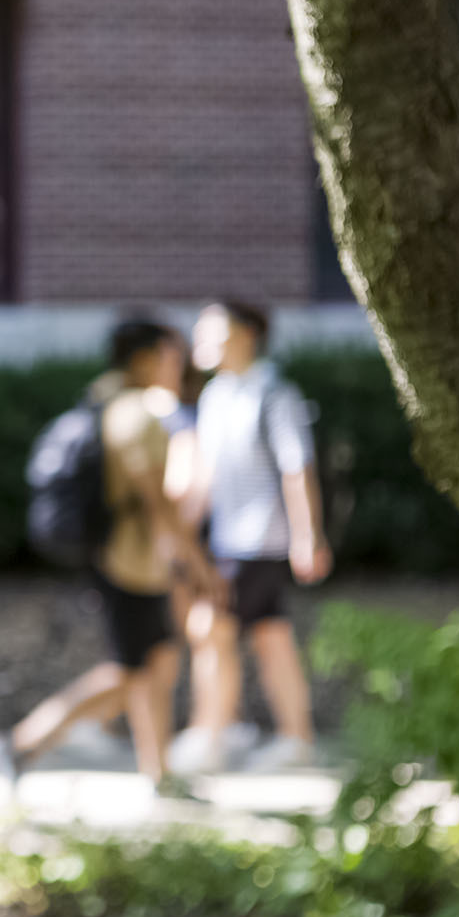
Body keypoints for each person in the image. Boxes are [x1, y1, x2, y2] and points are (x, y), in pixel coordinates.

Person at [0, 318, 218, 793]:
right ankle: (20, 743)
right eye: (172, 356)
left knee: (155, 664)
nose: (180, 366)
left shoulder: (103, 398)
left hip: (128, 559)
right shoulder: (137, 413)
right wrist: (200, 568)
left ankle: (159, 773)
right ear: (145, 358)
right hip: (128, 563)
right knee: (132, 670)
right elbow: (159, 505)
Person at [172, 299, 330, 772]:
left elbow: (296, 469)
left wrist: (308, 536)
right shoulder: (216, 395)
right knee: (270, 635)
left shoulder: (274, 393)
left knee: (211, 630)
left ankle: (211, 736)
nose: (199, 340)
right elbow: (203, 478)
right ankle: (294, 735)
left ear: (245, 335)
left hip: (258, 541)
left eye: (211, 331)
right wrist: (178, 535)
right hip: (228, 541)